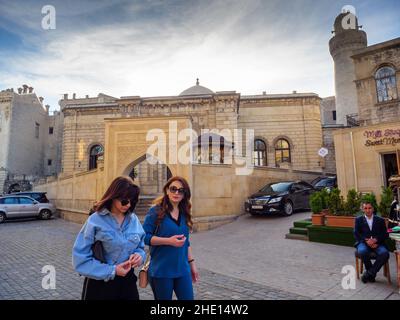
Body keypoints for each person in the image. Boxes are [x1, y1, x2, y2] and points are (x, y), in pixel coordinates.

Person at [72, 176, 146, 300]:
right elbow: (80, 260)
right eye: (124, 201)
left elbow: (140, 247)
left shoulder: (134, 220)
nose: (128, 205)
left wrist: (139, 256)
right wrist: (113, 270)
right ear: (113, 197)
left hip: (128, 284)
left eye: (132, 201)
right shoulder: (95, 220)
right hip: (101, 285)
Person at [143, 176, 199, 300]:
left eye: (181, 190)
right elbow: (145, 237)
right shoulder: (155, 211)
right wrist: (169, 241)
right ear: (167, 190)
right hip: (161, 270)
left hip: (182, 269)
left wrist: (192, 264)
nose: (176, 193)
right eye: (173, 189)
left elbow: (186, 241)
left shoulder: (185, 212)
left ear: (185, 194)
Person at [354, 201, 390, 283]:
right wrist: (366, 241)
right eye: (365, 208)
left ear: (373, 209)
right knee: (362, 251)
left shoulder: (380, 220)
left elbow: (385, 234)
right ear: (363, 209)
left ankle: (369, 273)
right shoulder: (358, 220)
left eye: (369, 208)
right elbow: (356, 233)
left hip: (378, 243)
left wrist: (375, 240)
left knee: (385, 253)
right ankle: (371, 275)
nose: (368, 210)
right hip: (364, 243)